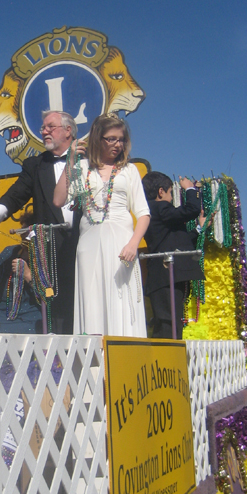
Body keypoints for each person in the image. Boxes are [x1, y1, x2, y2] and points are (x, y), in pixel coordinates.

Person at [54, 113, 150, 336]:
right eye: (111, 139)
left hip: (121, 243)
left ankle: (125, 356)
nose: (117, 144)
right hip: (89, 243)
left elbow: (143, 214)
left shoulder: (129, 170)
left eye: (121, 139)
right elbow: (59, 200)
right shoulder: (84, 167)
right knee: (92, 298)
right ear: (98, 139)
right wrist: (69, 162)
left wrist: (133, 244)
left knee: (121, 300)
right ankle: (94, 362)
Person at [0, 110, 80, 334]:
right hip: (51, 250)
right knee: (54, 305)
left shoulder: (90, 161)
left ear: (68, 131)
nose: (44, 131)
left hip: (85, 244)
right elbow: (17, 193)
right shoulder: (36, 165)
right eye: (42, 128)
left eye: (50, 127)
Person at [141, 172, 206, 339]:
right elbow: (190, 210)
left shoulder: (160, 214)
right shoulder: (158, 208)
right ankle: (165, 361)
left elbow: (176, 240)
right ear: (161, 192)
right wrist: (190, 189)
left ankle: (169, 359)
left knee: (172, 322)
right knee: (168, 323)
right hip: (164, 276)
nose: (171, 198)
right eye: (171, 192)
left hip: (167, 275)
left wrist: (198, 228)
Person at [0, 212, 42, 333]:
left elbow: (48, 296)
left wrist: (28, 274)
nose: (23, 234)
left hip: (28, 319)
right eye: (22, 230)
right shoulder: (10, 252)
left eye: (28, 231)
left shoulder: (44, 258)